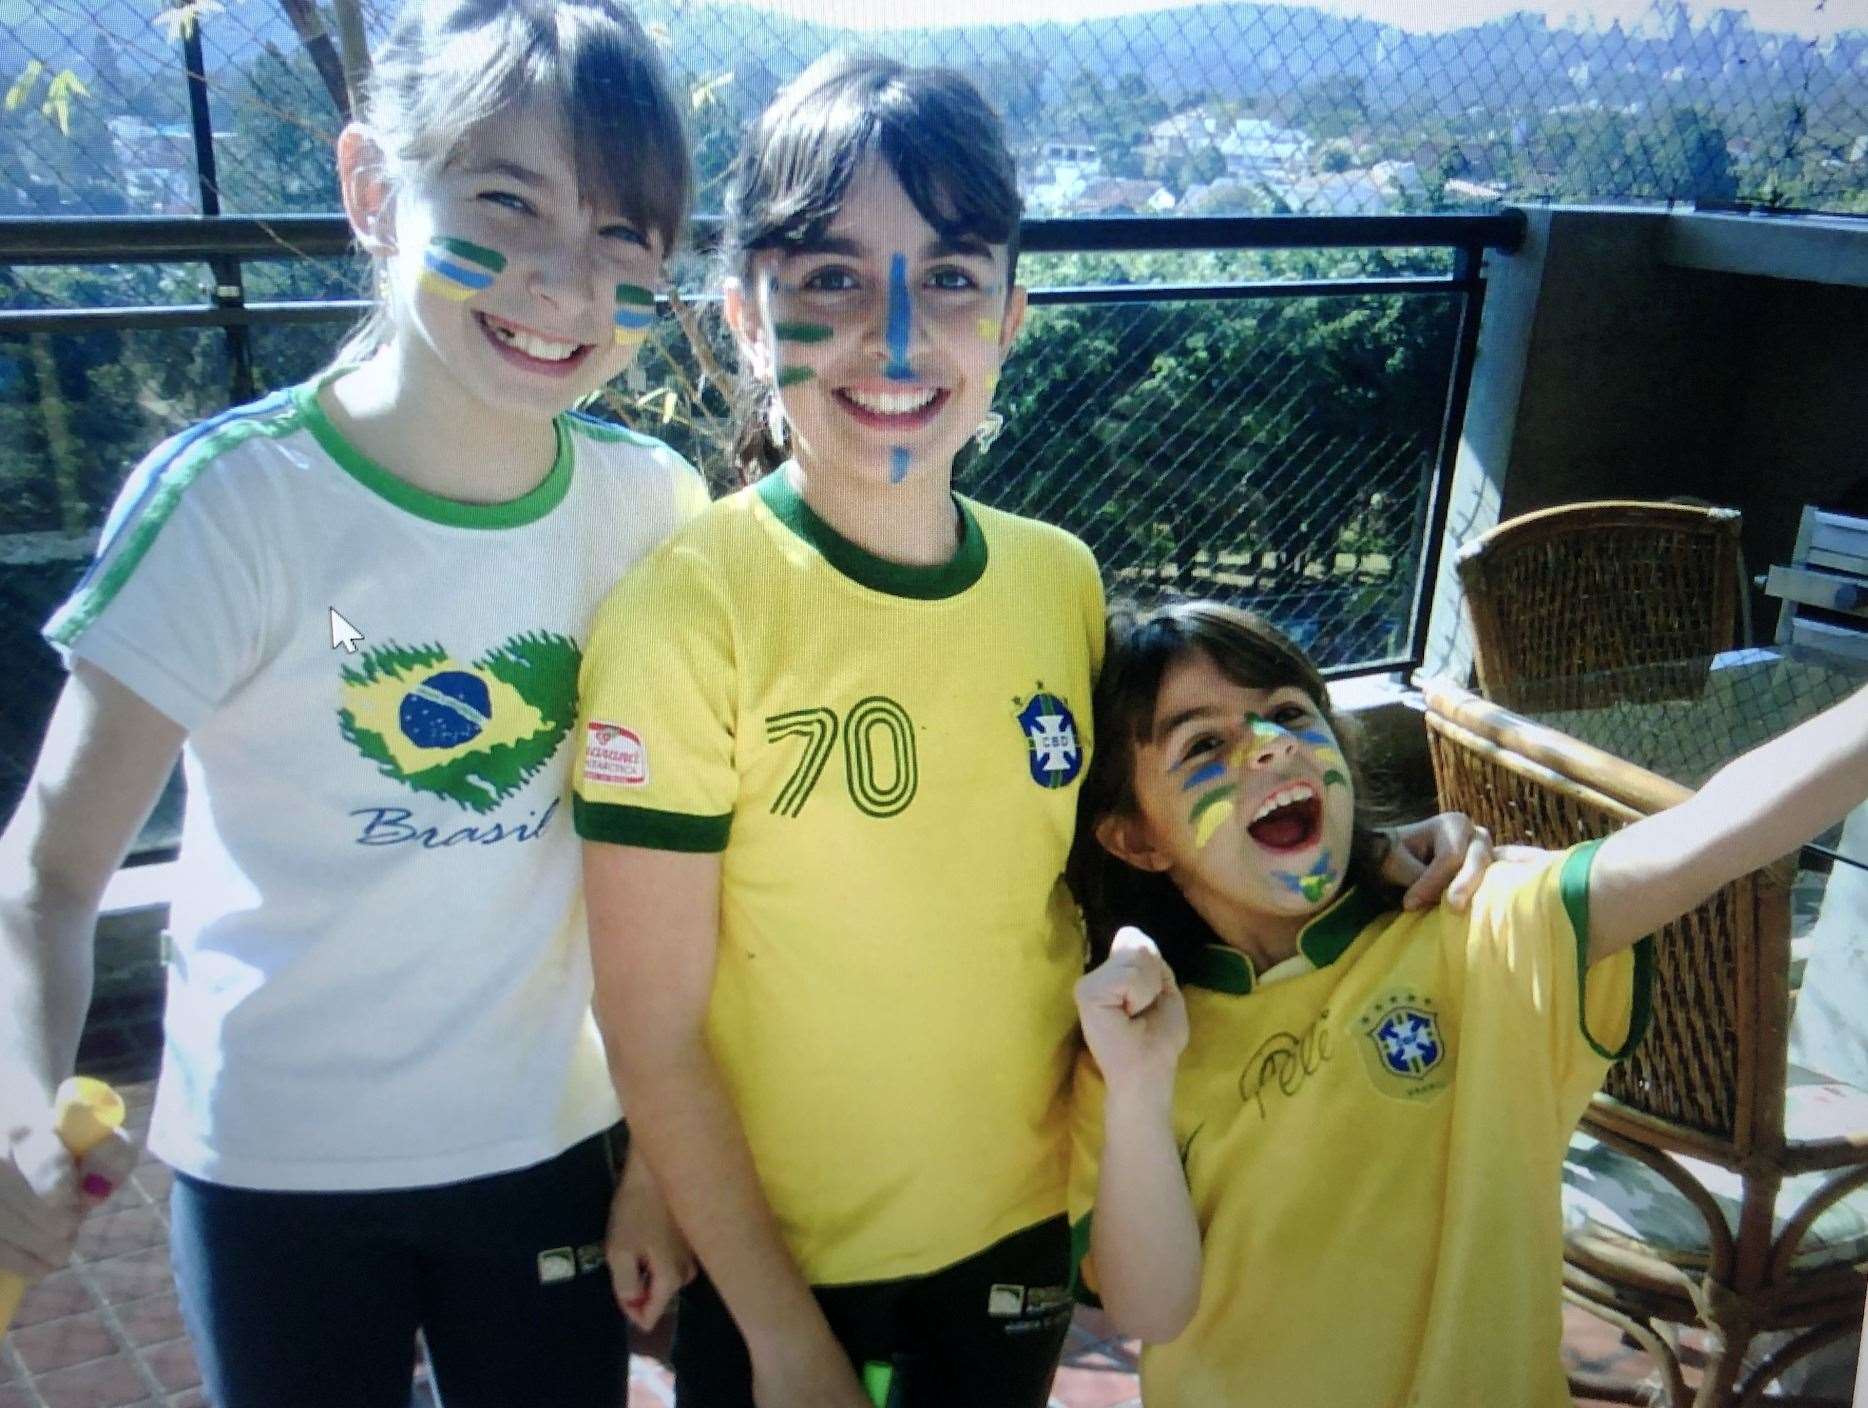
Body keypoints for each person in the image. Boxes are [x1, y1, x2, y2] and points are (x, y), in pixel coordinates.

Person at [574, 55, 1491, 1408]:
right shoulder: (687, 612)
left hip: (1017, 1225)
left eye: (947, 278)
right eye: (830, 278)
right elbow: (651, 1022)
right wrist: (774, 1330)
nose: (895, 338)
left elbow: (1143, 843)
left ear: (1012, 316)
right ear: (742, 318)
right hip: (783, 1259)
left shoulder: (1057, 580)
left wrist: (1367, 859)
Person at [0, 2, 700, 1402]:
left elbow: (674, 880)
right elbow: (51, 875)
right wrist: (18, 1097)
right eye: (509, 202)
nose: (567, 286)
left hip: (549, 1154)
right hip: (274, 1173)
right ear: (373, 190)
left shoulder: (653, 508)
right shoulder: (235, 505)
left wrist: (663, 1167)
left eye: (625, 236)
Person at [1067, 597, 1868, 1408]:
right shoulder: (1138, 1040)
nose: (1272, 746)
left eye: (1287, 712)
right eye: (1205, 743)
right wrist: (1137, 1089)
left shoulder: (1480, 931)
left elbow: (1719, 826)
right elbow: (1151, 1311)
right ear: (1136, 837)